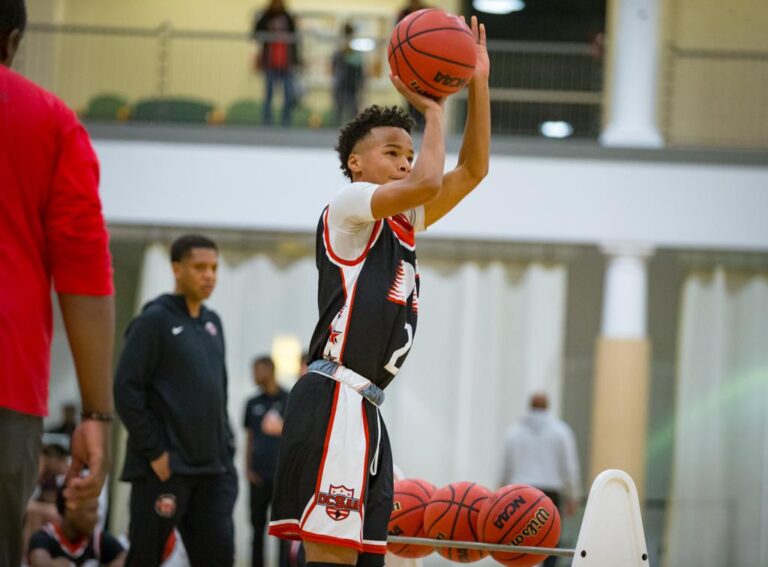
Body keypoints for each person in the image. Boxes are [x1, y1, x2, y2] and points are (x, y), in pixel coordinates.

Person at [268, 15, 489, 567]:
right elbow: (432, 180)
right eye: (393, 151)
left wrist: (477, 82)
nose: (406, 160)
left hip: (365, 406)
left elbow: (474, 169)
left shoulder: (402, 219)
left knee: (368, 562)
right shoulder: (347, 208)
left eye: (409, 153)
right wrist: (435, 111)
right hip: (333, 399)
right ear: (356, 164)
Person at [0, 1, 115, 564]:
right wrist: (96, 415)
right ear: (13, 39)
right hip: (6, 388)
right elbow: (84, 274)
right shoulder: (48, 120)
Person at [114, 234, 238, 567]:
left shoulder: (213, 323)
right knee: (144, 557)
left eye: (213, 267)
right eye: (200, 267)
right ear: (176, 269)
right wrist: (155, 452)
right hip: (166, 471)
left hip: (212, 471)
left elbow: (218, 393)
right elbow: (126, 390)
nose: (209, 275)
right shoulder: (154, 320)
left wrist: (226, 449)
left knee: (219, 558)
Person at [500, 393, 582, 567]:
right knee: (549, 544)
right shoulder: (561, 431)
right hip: (549, 495)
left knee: (517, 541)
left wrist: (499, 495)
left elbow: (505, 467)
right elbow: (569, 466)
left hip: (520, 495)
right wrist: (572, 496)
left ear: (529, 405)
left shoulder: (513, 432)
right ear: (547, 406)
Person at [243, 356, 290, 567]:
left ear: (269, 370)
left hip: (281, 479)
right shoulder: (252, 403)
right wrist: (247, 469)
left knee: (283, 531)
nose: (253, 375)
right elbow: (250, 438)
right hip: (258, 477)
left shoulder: (289, 399)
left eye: (257, 370)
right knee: (257, 530)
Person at [28, 490, 125, 567]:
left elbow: (125, 558)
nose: (96, 517)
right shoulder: (44, 537)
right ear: (70, 509)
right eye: (91, 510)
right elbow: (40, 563)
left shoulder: (96, 538)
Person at [253, 0, 300, 126]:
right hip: (270, 63)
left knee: (288, 95)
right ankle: (267, 122)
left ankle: (286, 122)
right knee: (268, 95)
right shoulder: (266, 16)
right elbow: (255, 33)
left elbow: (295, 40)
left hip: (286, 63)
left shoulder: (288, 17)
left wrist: (296, 60)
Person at [332, 22, 364, 126]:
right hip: (342, 84)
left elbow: (359, 69)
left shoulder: (355, 52)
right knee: (341, 110)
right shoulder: (339, 52)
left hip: (350, 85)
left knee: (351, 111)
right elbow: (334, 66)